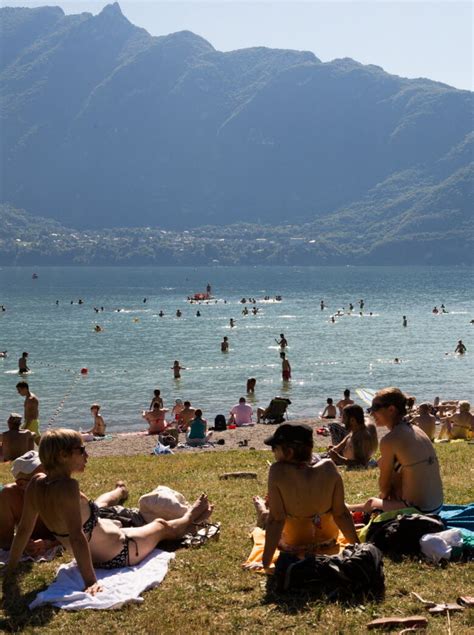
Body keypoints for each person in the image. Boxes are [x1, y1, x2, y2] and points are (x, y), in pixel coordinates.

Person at [4, 430, 213, 594]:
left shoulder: (35, 484)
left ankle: (120, 492)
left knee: (100, 508)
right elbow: (77, 538)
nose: (86, 454)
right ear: (63, 455)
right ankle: (191, 516)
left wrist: (11, 569)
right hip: (120, 552)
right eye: (81, 450)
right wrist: (90, 582)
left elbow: (23, 530)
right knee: (161, 526)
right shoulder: (68, 487)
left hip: (102, 545)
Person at [255, 424, 359, 570]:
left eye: (275, 449)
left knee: (267, 517)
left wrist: (266, 562)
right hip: (328, 542)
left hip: (293, 546)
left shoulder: (277, 472)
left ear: (289, 452)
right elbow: (341, 514)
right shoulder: (329, 467)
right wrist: (358, 547)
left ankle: (261, 508)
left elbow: (276, 520)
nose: (273, 453)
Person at [348, 387, 443, 515]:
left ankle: (348, 509)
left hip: (420, 511)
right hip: (436, 506)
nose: (371, 413)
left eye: (375, 408)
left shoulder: (390, 440)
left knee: (372, 503)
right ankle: (350, 507)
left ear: (391, 409)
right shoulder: (416, 430)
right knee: (388, 464)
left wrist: (384, 493)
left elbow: (384, 487)